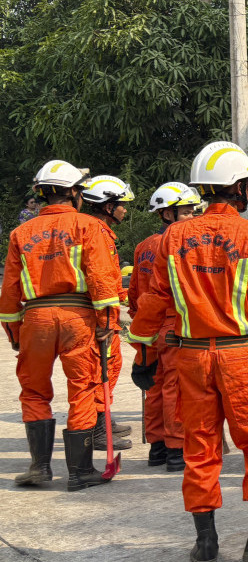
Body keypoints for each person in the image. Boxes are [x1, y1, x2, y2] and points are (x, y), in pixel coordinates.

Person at [126, 141, 248, 562]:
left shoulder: (173, 236)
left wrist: (143, 349)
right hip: (244, 357)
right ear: (239, 187)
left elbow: (154, 300)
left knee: (200, 448)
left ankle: (205, 545)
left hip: (191, 359)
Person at [2, 161, 122, 491]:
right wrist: (108, 323)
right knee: (82, 388)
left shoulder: (20, 233)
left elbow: (10, 291)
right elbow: (101, 279)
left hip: (36, 319)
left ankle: (40, 467)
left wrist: (14, 333)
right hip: (78, 318)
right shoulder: (88, 226)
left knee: (34, 390)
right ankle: (81, 471)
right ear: (73, 193)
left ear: (41, 194)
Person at [130, 182, 202, 472]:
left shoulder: (143, 247)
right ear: (167, 215)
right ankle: (175, 449)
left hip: (149, 326)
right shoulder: (183, 244)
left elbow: (134, 293)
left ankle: (157, 447)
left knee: (155, 387)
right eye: (185, 212)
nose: (191, 217)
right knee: (175, 389)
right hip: (174, 325)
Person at [78, 175, 136, 452]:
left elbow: (110, 278)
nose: (125, 209)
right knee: (101, 369)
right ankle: (98, 431)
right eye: (121, 203)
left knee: (109, 369)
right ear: (107, 206)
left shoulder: (101, 230)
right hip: (97, 317)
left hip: (101, 313)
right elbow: (100, 281)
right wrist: (108, 321)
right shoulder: (97, 232)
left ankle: (104, 422)